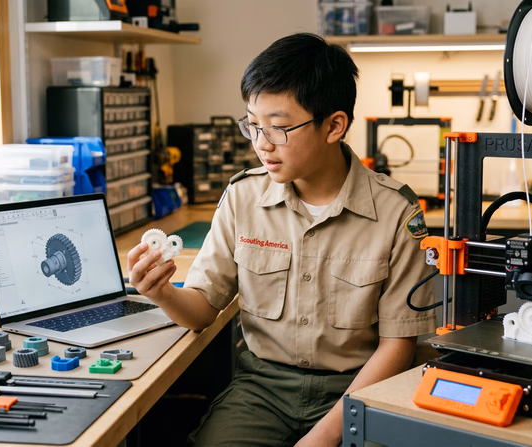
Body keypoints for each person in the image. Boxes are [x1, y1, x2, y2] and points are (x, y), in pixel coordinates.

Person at [127, 32, 436, 447]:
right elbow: (202, 310)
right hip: (263, 391)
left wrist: (323, 437)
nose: (260, 145)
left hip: (360, 389)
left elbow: (398, 346)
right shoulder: (243, 197)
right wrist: (162, 292)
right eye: (252, 125)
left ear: (334, 125)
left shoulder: (397, 212)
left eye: (278, 128)